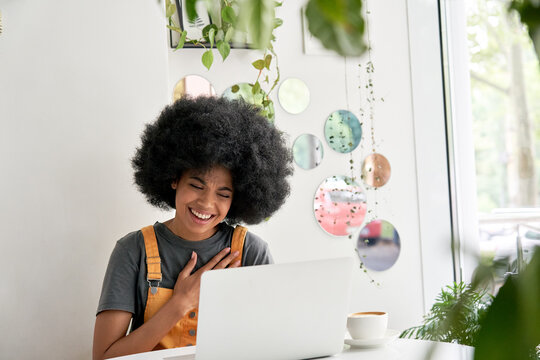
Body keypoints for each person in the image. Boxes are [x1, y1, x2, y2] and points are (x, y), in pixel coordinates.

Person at [92, 96, 293, 360]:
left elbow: (274, 344)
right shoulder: (132, 251)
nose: (206, 203)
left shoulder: (250, 252)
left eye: (223, 194)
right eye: (197, 186)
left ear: (238, 198)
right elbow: (104, 357)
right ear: (174, 178)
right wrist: (180, 304)